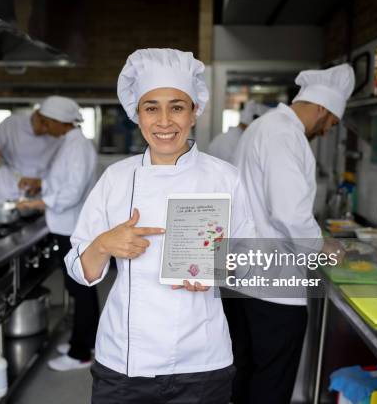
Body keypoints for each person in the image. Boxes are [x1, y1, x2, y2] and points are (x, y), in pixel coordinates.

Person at [64, 48, 256, 403]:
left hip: (203, 360)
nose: (164, 121)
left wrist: (221, 268)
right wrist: (104, 244)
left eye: (177, 107)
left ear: (195, 112)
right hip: (123, 363)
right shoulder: (116, 179)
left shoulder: (225, 179)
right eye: (151, 107)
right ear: (136, 115)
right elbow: (79, 271)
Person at [228, 63, 354, 404]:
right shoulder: (285, 134)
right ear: (322, 108)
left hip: (245, 277)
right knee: (271, 381)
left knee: (246, 372)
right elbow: (288, 212)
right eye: (331, 122)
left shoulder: (263, 127)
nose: (327, 131)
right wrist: (321, 245)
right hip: (273, 288)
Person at [16, 97, 100, 372]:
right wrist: (40, 184)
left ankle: (80, 354)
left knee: (81, 289)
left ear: (58, 121)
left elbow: (72, 192)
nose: (43, 126)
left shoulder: (79, 146)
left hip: (74, 229)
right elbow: (62, 182)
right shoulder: (70, 143)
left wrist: (36, 203)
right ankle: (88, 342)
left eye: (45, 121)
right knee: (79, 289)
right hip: (67, 226)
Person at [0, 97, 69, 203]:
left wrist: (42, 184)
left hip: (37, 194)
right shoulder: (11, 124)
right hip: (6, 191)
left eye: (48, 125)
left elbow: (58, 168)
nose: (44, 129)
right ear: (36, 114)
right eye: (42, 123)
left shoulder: (58, 137)